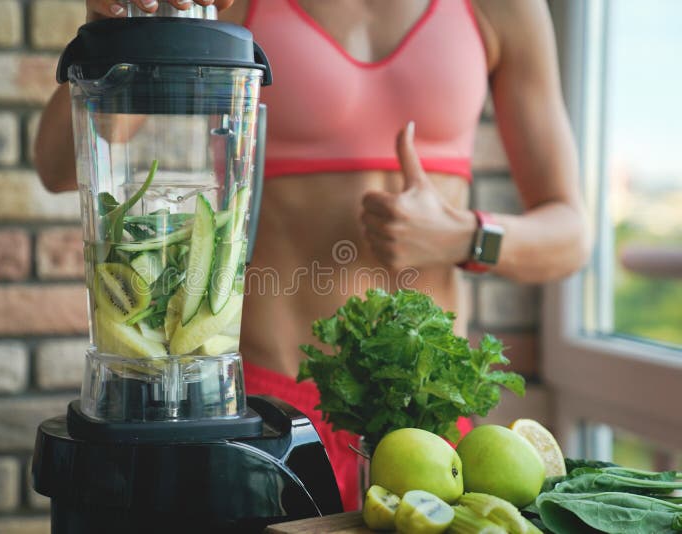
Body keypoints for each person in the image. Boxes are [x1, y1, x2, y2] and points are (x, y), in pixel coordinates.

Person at [35, 0, 591, 511]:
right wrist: (111, 28)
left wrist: (467, 236)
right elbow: (61, 167)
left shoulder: (505, 8)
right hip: (267, 414)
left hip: (428, 420)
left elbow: (571, 233)